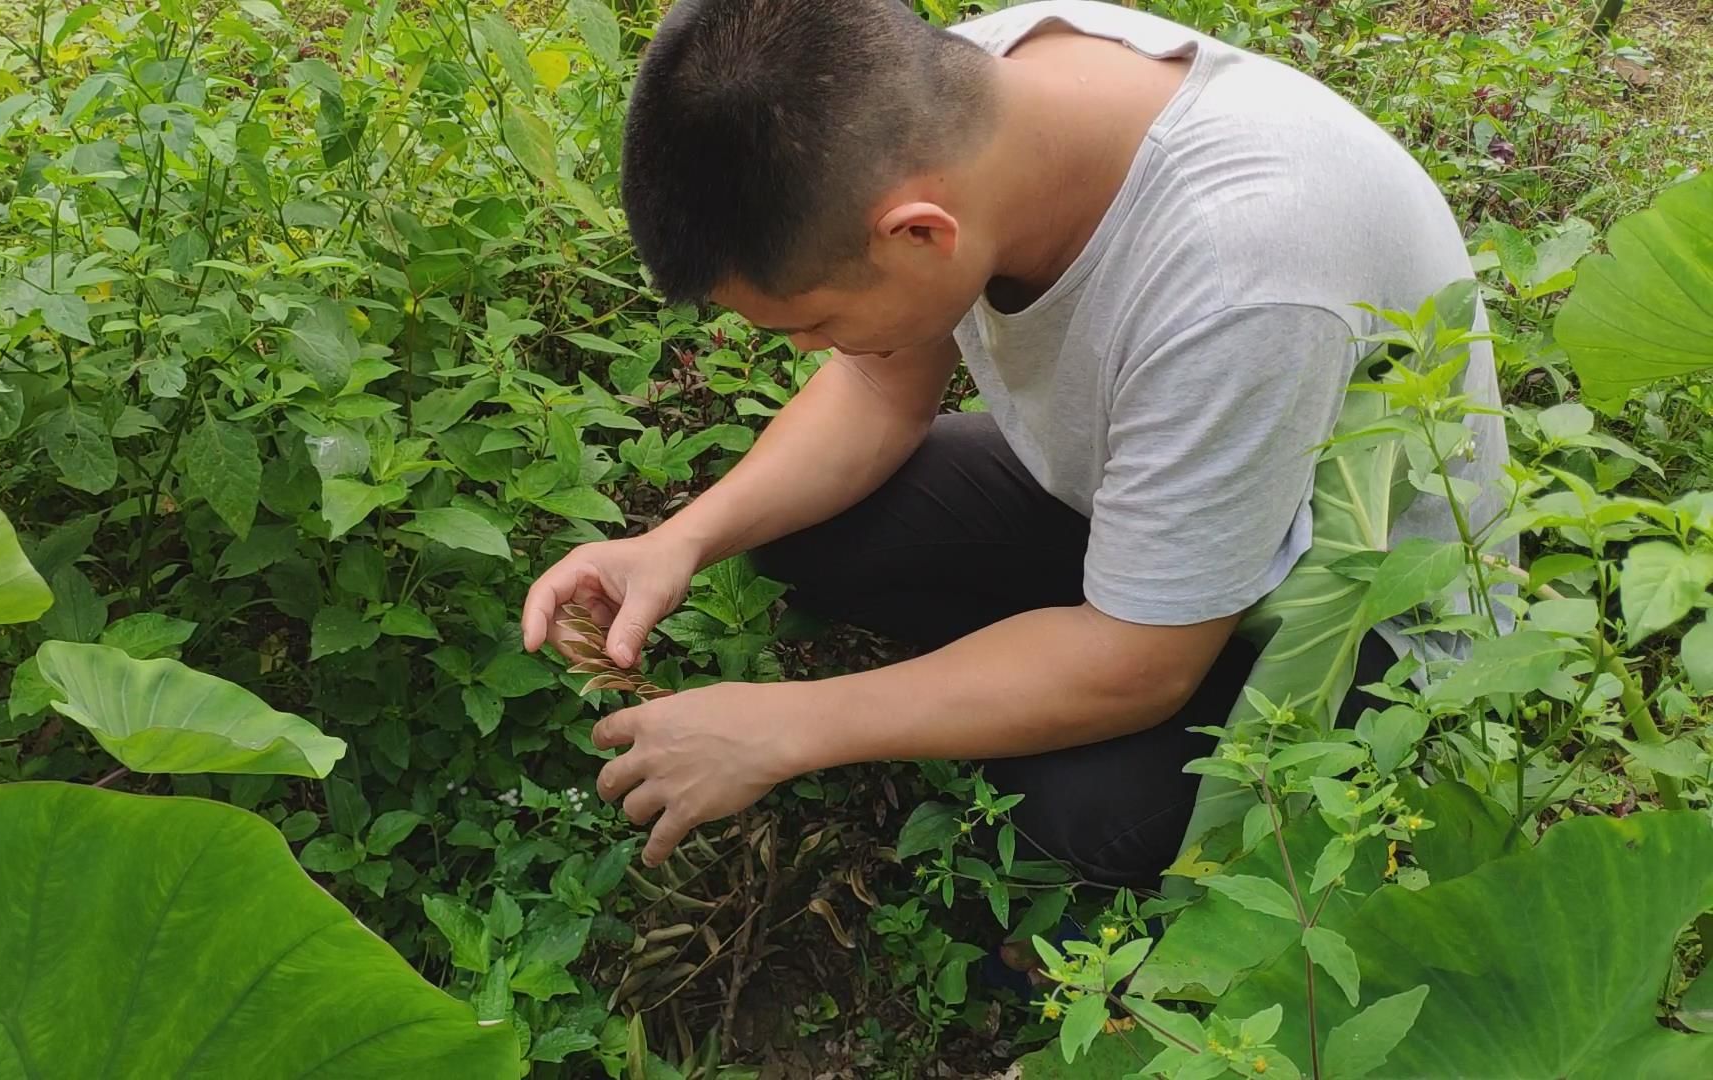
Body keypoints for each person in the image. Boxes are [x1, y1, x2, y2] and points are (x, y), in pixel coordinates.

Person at [519, 0, 1509, 885]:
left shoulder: (1237, 277)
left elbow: (1140, 667)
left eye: (807, 324)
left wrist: (786, 726)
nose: (817, 351)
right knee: (809, 535)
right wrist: (675, 543)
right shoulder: (962, 97)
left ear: (917, 234)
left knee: (1070, 806)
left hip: (1350, 613)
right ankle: (1042, 650)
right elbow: (878, 381)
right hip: (1153, 512)